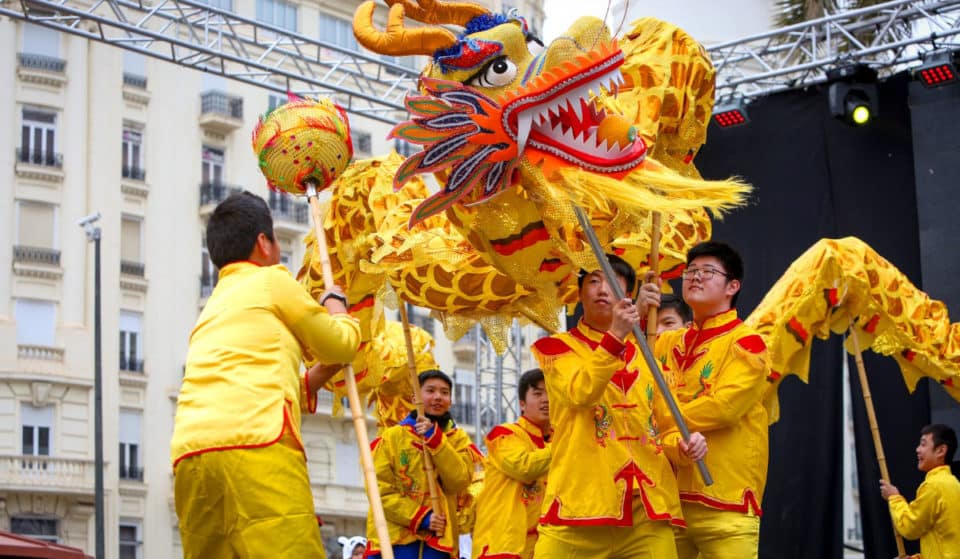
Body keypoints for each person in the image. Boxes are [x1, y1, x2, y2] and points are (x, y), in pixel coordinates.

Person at [171, 191, 361, 557]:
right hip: (257, 443)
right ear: (263, 242)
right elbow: (340, 343)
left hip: (191, 454)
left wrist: (322, 371)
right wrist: (337, 308)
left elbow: (274, 382)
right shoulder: (272, 281)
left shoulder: (211, 310)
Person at [530, 254, 707, 559]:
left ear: (627, 295)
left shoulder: (650, 359)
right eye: (593, 281)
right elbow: (580, 393)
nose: (601, 289)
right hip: (578, 507)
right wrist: (616, 335)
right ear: (580, 291)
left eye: (611, 282)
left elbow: (665, 428)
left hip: (646, 509)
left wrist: (685, 446)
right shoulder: (557, 348)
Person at [639, 240, 770, 559]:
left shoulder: (747, 343)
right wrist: (640, 315)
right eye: (691, 271)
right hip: (668, 500)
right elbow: (628, 381)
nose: (695, 277)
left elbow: (723, 408)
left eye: (708, 271)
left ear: (732, 286)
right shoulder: (664, 341)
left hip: (724, 500)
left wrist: (658, 423)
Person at [365, 370, 484, 559]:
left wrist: (436, 441)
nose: (438, 397)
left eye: (444, 392)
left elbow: (459, 481)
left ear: (450, 401)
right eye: (430, 390)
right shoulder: (392, 438)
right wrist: (423, 517)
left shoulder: (458, 440)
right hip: (396, 540)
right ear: (414, 397)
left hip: (440, 540)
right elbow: (379, 491)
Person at [472, 369, 552, 559]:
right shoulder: (504, 435)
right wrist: (565, 443)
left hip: (544, 547)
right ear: (522, 404)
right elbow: (524, 467)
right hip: (503, 546)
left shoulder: (557, 441)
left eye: (551, 392)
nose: (546, 400)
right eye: (538, 393)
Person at [880, 424, 960, 559]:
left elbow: (910, 526)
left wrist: (894, 498)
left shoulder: (934, 486)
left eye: (923, 445)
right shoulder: (954, 484)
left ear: (941, 451)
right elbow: (943, 540)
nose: (918, 450)